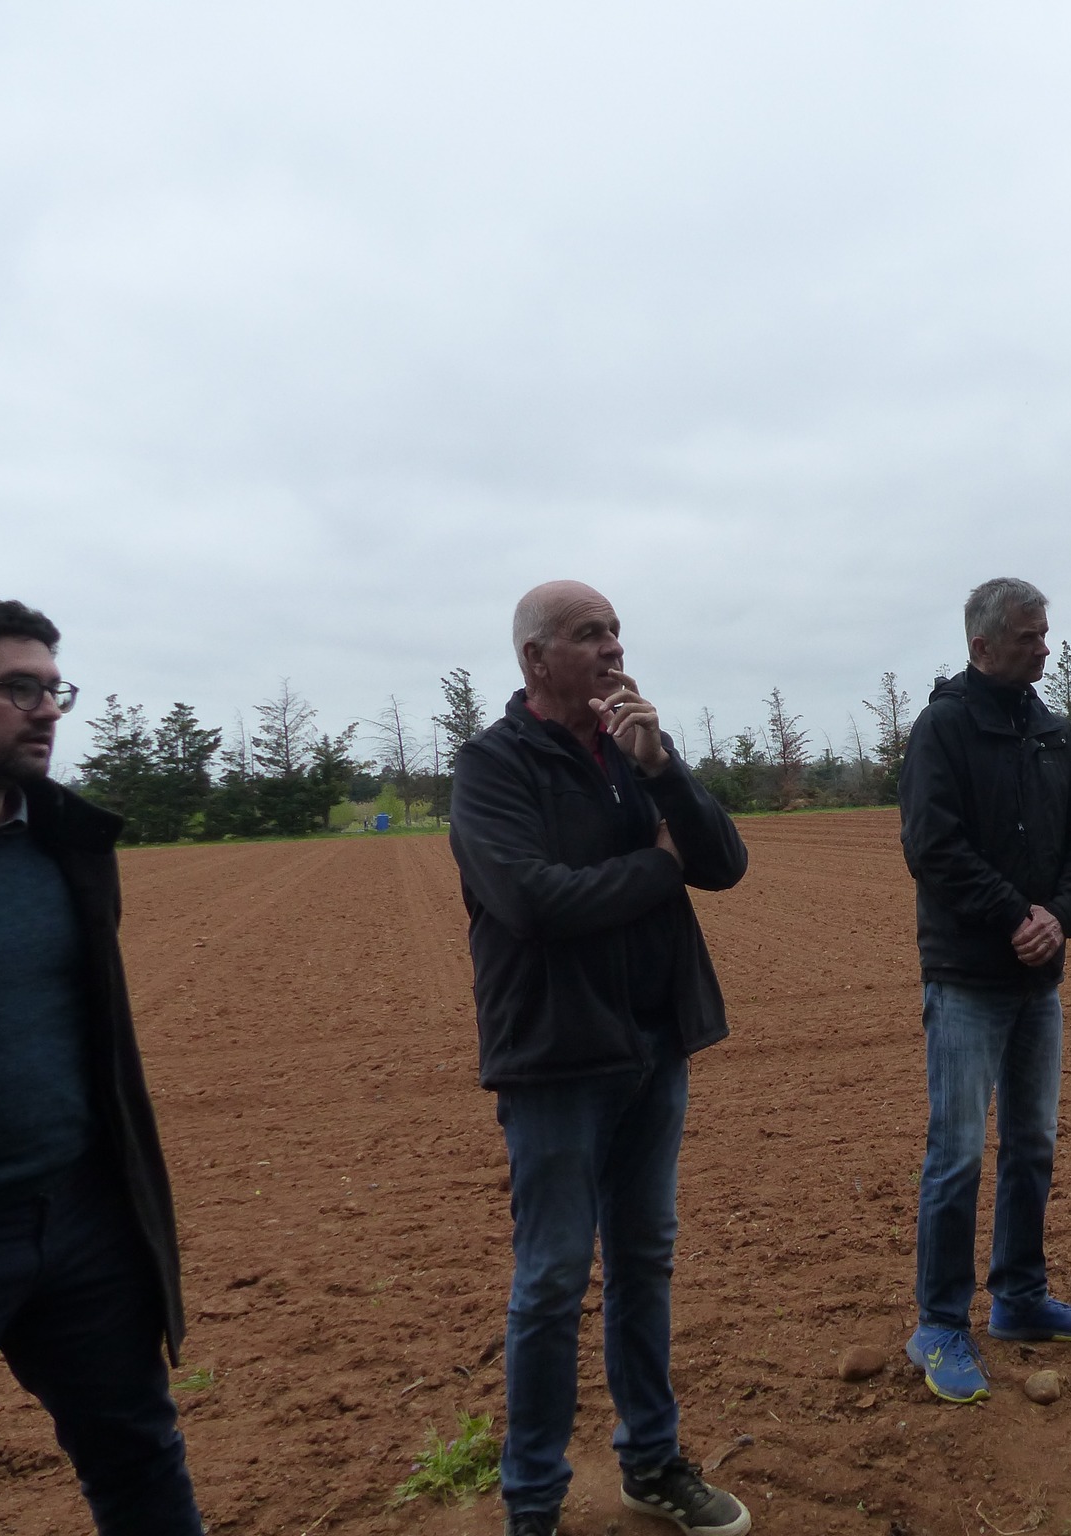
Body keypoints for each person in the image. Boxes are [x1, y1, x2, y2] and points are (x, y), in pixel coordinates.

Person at [448, 581, 752, 1536]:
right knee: (549, 1280)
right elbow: (535, 904)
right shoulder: (492, 767)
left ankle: (651, 1463)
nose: (614, 650)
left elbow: (726, 863)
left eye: (617, 631)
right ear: (536, 658)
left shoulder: (636, 754)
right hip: (556, 1059)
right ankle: (533, 1503)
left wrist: (663, 773)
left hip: (654, 1044)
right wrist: (656, 867)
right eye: (590, 635)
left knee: (644, 1260)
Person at [0, 598, 201, 1535]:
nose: (48, 709)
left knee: (140, 1457)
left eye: (54, 687)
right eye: (18, 688)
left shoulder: (68, 842)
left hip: (82, 1220)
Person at [897, 576, 1071, 1404]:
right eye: (1029, 635)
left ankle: (1018, 1299)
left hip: (1039, 978)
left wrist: (1059, 917)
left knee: (1033, 1146)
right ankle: (940, 1324)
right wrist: (1015, 916)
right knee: (954, 1156)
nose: (1045, 646)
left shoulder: (1055, 735)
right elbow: (933, 848)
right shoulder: (943, 730)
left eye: (1046, 632)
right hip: (967, 981)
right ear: (983, 645)